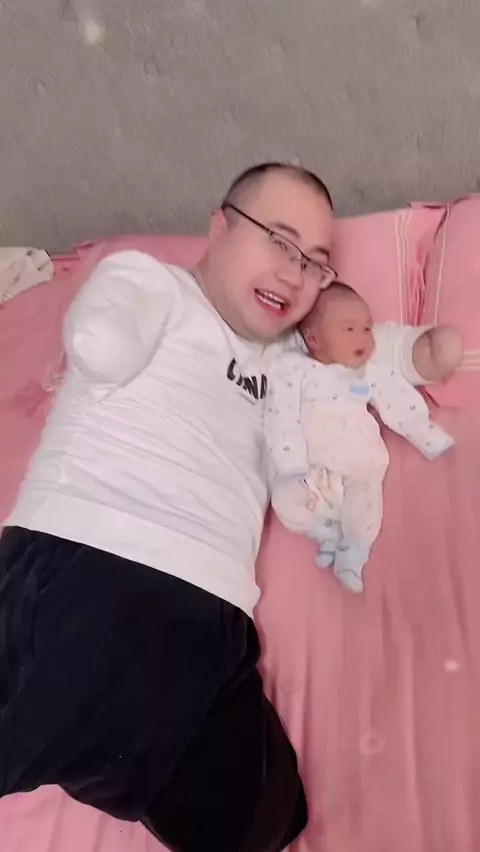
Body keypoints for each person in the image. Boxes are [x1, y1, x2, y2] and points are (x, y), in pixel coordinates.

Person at [0, 163, 462, 852]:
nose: (295, 273)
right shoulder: (153, 282)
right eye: (280, 241)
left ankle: (89, 748)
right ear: (220, 228)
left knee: (267, 820)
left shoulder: (295, 357)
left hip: (207, 618)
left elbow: (374, 349)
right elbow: (105, 332)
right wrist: (104, 334)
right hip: (89, 564)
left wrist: (424, 352)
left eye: (315, 262)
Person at [265, 282, 458, 593]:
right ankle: (326, 533)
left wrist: (429, 436)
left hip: (358, 456)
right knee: (286, 499)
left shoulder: (368, 372)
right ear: (313, 339)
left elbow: (399, 402)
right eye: (349, 329)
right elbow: (281, 415)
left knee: (368, 494)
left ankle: (354, 551)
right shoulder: (293, 369)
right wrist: (291, 464)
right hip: (312, 461)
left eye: (367, 328)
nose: (362, 337)